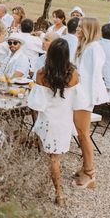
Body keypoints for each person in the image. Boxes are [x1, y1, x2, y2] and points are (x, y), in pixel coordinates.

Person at [28, 37, 80, 206]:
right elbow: (77, 100)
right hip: (64, 120)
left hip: (47, 120)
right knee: (55, 158)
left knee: (51, 157)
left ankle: (57, 192)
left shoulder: (41, 74)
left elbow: (35, 104)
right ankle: (59, 194)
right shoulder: (73, 75)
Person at [73, 17, 108, 190]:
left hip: (84, 96)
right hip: (78, 94)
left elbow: (92, 77)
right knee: (79, 133)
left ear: (89, 30)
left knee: (83, 133)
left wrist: (90, 99)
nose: (78, 29)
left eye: (81, 27)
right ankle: (84, 166)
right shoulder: (82, 46)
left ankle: (90, 173)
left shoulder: (94, 48)